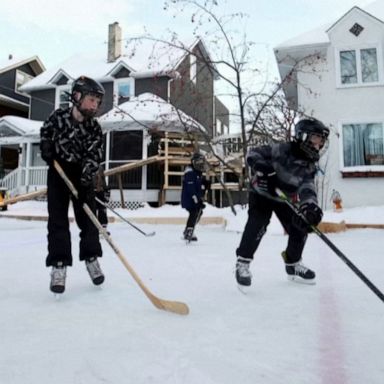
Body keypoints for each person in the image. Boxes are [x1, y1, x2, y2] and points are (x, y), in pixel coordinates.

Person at [235, 118, 329, 287]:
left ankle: (293, 264)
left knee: (300, 226)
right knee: (258, 224)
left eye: (321, 141)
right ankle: (243, 263)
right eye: (316, 139)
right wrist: (262, 167)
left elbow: (307, 188)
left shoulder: (309, 166)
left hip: (283, 197)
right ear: (303, 136)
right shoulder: (281, 149)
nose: (319, 145)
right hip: (262, 193)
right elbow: (253, 153)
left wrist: (310, 207)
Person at [40, 76, 106, 294]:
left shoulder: (94, 129)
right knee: (57, 219)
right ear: (77, 97)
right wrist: (47, 149)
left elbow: (94, 155)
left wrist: (86, 176)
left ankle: (91, 258)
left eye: (98, 101)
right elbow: (46, 134)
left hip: (80, 174)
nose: (95, 105)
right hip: (58, 172)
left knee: (89, 219)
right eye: (91, 100)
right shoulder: (57, 117)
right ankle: (59, 265)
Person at [181, 152, 209, 242]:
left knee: (198, 213)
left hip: (195, 198)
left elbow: (199, 185)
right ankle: (189, 230)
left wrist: (205, 184)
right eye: (199, 162)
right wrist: (197, 200)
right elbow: (191, 188)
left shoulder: (198, 173)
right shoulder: (190, 173)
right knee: (194, 212)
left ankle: (189, 229)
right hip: (189, 199)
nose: (201, 164)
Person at [94, 165, 110, 235]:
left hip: (100, 191)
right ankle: (92, 229)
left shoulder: (100, 167)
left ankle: (103, 228)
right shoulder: (87, 166)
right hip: (91, 192)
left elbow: (103, 180)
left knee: (102, 210)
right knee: (92, 210)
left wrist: (106, 191)